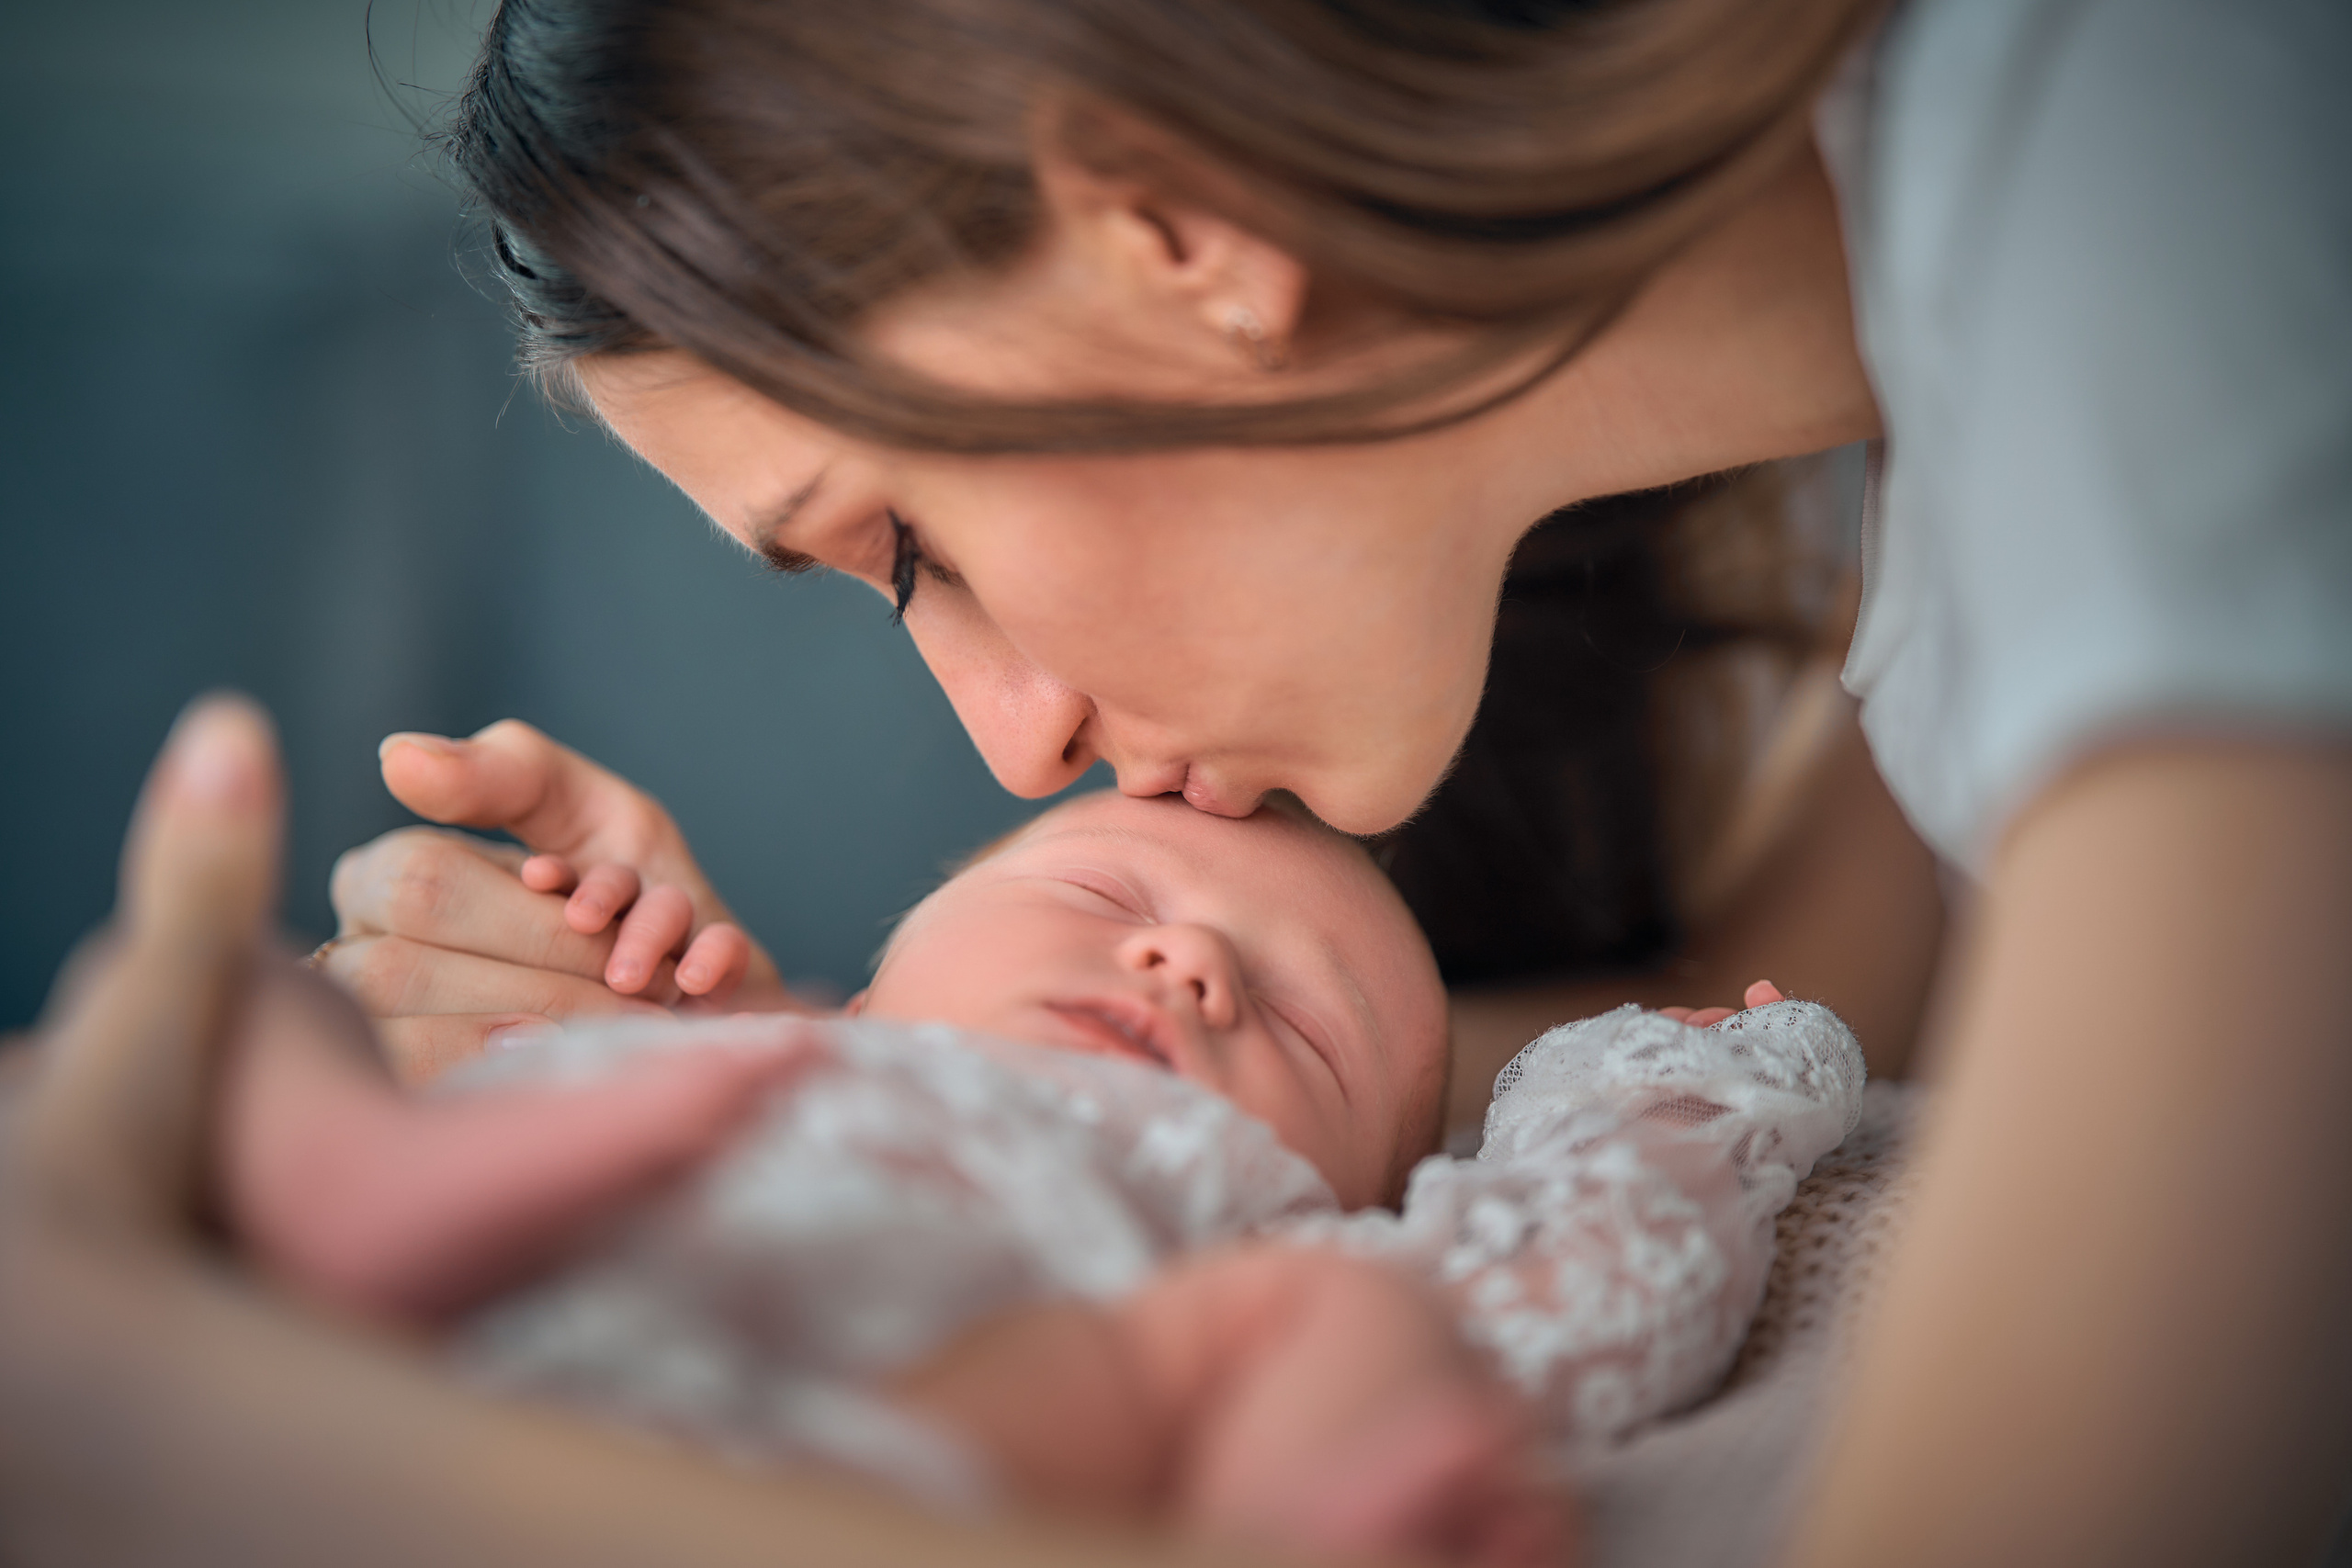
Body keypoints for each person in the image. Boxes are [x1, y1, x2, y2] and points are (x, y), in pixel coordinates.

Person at [6, 0, 2349, 1562]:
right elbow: (1783, 1032)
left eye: (907, 546)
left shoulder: (2163, 169)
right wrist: (854, 1084)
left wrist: (149, 1421)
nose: (1012, 743)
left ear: (1165, 228)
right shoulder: (1913, 491)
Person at [219, 786, 1858, 1562]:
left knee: (1347, 1326)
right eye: (1102, 893)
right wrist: (640, 972)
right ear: (876, 974)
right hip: (510, 1281)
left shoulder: (1246, 1248)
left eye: (1311, 1032)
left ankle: (1289, 1520)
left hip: (905, 1434)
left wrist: (1652, 1090)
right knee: (253, 992)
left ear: (1361, 1194)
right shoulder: (726, 1054)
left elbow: (1578, 1259)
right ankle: (350, 1179)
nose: (1187, 963)